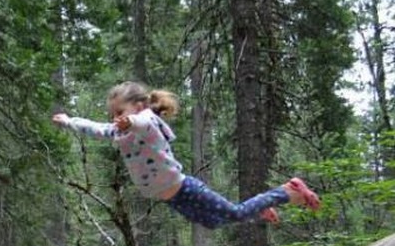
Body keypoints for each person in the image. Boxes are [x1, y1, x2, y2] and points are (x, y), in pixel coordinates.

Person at [52, 81, 320, 228]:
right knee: (214, 223)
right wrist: (68, 120)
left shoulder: (147, 122)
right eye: (113, 115)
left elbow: (142, 121)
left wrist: (130, 121)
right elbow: (95, 128)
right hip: (170, 198)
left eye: (120, 112)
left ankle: (287, 190)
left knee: (235, 213)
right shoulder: (119, 133)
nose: (116, 119)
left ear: (139, 106)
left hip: (184, 187)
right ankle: (260, 207)